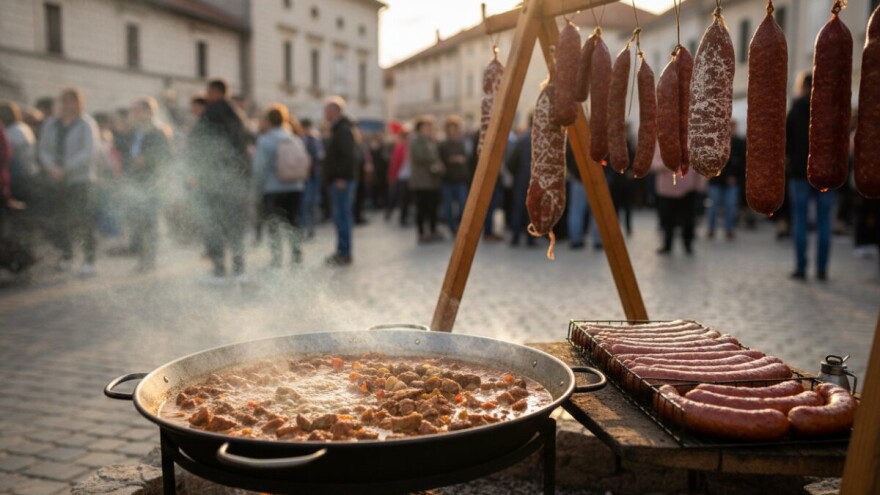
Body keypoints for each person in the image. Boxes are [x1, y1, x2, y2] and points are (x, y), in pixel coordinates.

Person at [188, 79, 250, 281]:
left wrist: (196, 172)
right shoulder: (237, 115)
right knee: (234, 225)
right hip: (235, 180)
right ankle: (239, 269)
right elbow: (242, 150)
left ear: (215, 92)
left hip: (213, 180)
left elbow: (199, 146)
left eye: (208, 92)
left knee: (214, 224)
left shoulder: (211, 114)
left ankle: (219, 270)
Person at [37, 88, 100, 275]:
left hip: (80, 179)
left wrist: (66, 169)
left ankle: (89, 260)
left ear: (78, 103)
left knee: (82, 219)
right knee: (60, 218)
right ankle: (66, 256)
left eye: (70, 101)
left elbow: (88, 152)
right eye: (63, 101)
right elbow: (43, 149)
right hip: (56, 179)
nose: (66, 105)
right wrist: (52, 167)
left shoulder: (86, 124)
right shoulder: (51, 124)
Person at [786, 73, 834, 281]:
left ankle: (801, 267)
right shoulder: (829, 108)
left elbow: (786, 140)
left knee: (801, 221)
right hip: (827, 172)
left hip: (799, 173)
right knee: (824, 221)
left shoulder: (796, 109)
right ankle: (822, 269)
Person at [252, 104, 305, 268]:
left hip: (273, 188)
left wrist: (257, 189)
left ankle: (276, 259)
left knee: (274, 225)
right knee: (293, 222)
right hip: (295, 186)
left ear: (268, 121)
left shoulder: (265, 140)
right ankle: (296, 256)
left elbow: (259, 168)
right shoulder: (294, 138)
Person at [124, 97, 172, 272]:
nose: (134, 114)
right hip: (136, 181)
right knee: (138, 221)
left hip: (152, 182)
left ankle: (150, 259)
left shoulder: (157, 131)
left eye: (137, 110)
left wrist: (147, 160)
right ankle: (142, 257)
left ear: (147, 112)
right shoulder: (136, 131)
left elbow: (164, 157)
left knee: (150, 221)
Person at [652, 143, 704, 255]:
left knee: (688, 220)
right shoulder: (661, 146)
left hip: (688, 190)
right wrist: (670, 163)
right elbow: (655, 165)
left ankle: (688, 244)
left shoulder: (692, 146)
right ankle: (667, 244)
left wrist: (700, 186)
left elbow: (698, 166)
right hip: (666, 191)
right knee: (667, 219)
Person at [323, 96, 357, 265]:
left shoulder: (342, 130)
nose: (325, 114)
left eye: (326, 111)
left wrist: (341, 177)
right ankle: (342, 251)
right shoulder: (339, 128)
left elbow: (347, 156)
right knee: (340, 216)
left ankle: (344, 252)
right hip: (338, 179)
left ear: (334, 111)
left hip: (341, 181)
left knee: (342, 216)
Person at [707, 120, 745, 239]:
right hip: (717, 181)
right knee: (713, 206)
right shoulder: (717, 141)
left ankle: (729, 229)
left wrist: (735, 177)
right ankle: (711, 228)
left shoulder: (739, 143)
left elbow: (742, 162)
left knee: (731, 206)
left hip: (732, 182)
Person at [409, 116, 443, 243]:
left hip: (432, 180)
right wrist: (435, 164)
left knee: (433, 207)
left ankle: (433, 230)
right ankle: (421, 232)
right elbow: (420, 156)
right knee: (422, 208)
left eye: (429, 127)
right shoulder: (416, 141)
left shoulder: (430, 141)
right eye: (425, 127)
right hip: (421, 181)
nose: (428, 130)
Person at [506, 115, 535, 247]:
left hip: (522, 179)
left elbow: (511, 162)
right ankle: (531, 238)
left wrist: (516, 174)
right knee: (532, 210)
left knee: (518, 208)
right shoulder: (541, 140)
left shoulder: (522, 140)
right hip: (533, 180)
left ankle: (515, 237)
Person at [566, 143, 602, 250]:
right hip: (594, 179)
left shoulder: (573, 139)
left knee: (576, 211)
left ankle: (576, 239)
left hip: (578, 179)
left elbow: (567, 157)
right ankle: (597, 240)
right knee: (596, 212)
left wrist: (573, 171)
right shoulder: (597, 136)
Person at [438, 116, 470, 235]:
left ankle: (462, 227)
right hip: (448, 179)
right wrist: (452, 160)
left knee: (463, 205)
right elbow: (441, 159)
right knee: (449, 206)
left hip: (460, 178)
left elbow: (466, 158)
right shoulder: (443, 144)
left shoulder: (462, 143)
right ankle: (452, 228)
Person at [0, 101, 37, 205]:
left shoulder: (13, 132)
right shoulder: (22, 127)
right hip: (28, 174)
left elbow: (6, 155)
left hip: (19, 178)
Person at [299, 118, 324, 238]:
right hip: (309, 175)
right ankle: (309, 227)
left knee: (308, 202)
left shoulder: (310, 140)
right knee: (308, 203)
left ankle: (309, 227)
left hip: (310, 176)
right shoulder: (312, 140)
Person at [386, 125, 412, 226]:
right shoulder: (400, 147)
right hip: (401, 176)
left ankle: (404, 216)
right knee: (399, 197)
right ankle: (397, 215)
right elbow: (395, 162)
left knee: (406, 198)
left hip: (409, 176)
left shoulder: (410, 146)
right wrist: (392, 175)